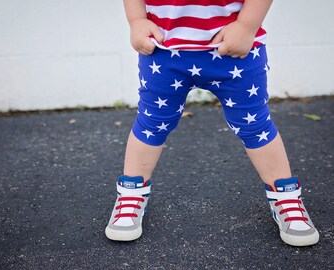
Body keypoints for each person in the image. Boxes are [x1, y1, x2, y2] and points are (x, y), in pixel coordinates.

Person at [105, 0, 319, 246]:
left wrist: (247, 25)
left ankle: (285, 195)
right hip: (163, 52)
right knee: (151, 122)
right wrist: (136, 20)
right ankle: (132, 191)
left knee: (255, 125)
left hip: (235, 49)